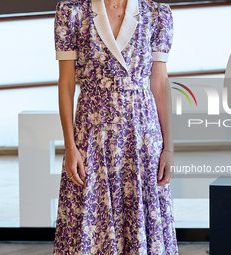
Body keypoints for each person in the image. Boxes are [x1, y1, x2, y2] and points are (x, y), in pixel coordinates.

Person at [53, 0, 178, 253]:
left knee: (141, 218)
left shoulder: (156, 13)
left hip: (142, 136)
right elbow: (66, 83)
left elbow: (160, 84)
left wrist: (169, 147)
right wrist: (70, 145)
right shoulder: (72, 12)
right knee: (90, 215)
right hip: (91, 134)